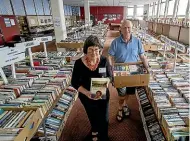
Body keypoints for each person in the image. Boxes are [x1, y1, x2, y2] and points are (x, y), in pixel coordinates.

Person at [71, 35, 113, 141]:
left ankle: (103, 136)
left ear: (99, 50)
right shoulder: (79, 63)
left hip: (102, 94)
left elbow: (110, 76)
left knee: (104, 118)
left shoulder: (104, 61)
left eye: (96, 50)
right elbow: (74, 82)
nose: (94, 53)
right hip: (87, 96)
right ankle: (94, 130)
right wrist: (86, 93)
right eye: (90, 50)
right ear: (86, 50)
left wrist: (105, 83)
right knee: (92, 115)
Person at [108, 20, 149, 122]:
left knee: (129, 92)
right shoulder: (115, 42)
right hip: (120, 71)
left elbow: (142, 56)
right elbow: (110, 56)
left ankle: (125, 105)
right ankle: (120, 108)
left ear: (132, 29)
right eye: (124, 28)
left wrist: (148, 69)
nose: (127, 30)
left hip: (133, 71)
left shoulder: (137, 41)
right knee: (122, 93)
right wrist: (111, 69)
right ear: (120, 29)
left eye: (129, 27)